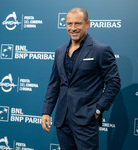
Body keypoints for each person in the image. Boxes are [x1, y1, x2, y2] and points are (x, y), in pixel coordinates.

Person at [41, 7, 121, 150]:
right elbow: (54, 84)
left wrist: (98, 110)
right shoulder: (59, 51)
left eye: (77, 23)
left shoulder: (100, 49)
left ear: (87, 23)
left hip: (86, 119)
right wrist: (47, 111)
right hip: (62, 119)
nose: (73, 28)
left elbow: (114, 83)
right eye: (69, 24)